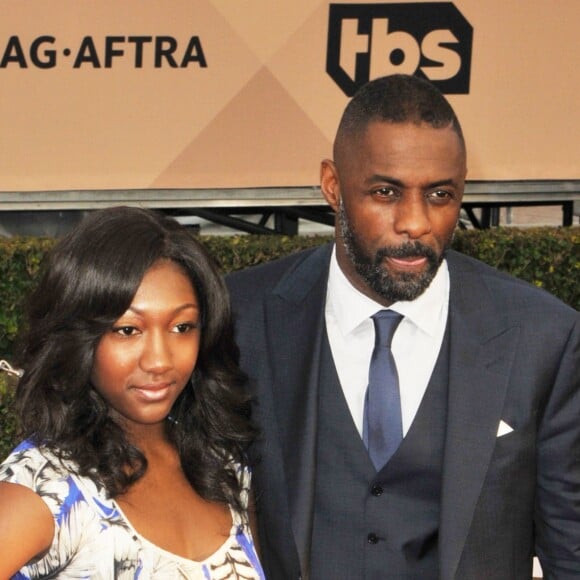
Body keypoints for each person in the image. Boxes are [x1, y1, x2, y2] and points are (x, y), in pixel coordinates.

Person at [226, 74, 580, 579]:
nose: (416, 222)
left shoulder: (543, 337)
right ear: (333, 185)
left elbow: (571, 547)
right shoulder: (240, 318)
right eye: (385, 192)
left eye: (440, 194)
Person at [0, 206, 264, 579]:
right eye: (128, 330)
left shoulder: (225, 468)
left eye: (182, 327)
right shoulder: (46, 486)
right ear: (78, 337)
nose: (159, 360)